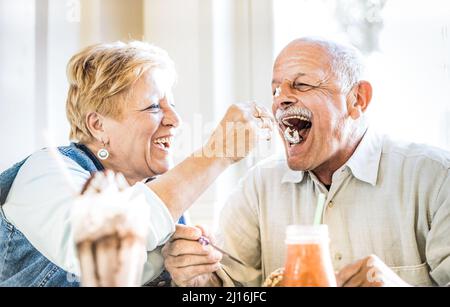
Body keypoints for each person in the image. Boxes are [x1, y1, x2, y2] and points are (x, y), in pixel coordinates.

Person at [163, 37, 450, 287]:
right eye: (276, 90)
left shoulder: (435, 179)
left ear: (358, 99)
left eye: (301, 84)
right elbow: (231, 287)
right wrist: (199, 278)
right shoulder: (260, 186)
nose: (281, 100)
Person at [0, 41, 273, 286]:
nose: (174, 120)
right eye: (154, 107)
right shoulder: (46, 173)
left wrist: (193, 280)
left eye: (173, 106)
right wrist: (218, 153)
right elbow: (99, 248)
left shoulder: (166, 206)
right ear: (98, 125)